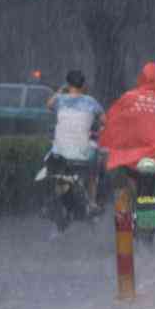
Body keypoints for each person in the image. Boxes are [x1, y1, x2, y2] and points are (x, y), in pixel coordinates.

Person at [98, 61, 155, 206]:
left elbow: (111, 120)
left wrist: (106, 139)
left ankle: (123, 219)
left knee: (121, 182)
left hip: (131, 156)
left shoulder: (128, 97)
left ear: (141, 78)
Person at [46, 70, 105, 210]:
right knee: (94, 170)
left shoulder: (60, 99)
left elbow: (48, 104)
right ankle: (92, 202)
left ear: (67, 84)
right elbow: (104, 121)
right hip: (81, 152)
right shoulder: (91, 101)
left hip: (59, 152)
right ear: (83, 85)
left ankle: (54, 198)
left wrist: (60, 91)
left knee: (53, 169)